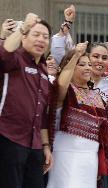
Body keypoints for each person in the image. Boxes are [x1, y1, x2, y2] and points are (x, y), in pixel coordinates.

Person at [47, 42, 108, 188]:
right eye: (81, 64)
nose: (88, 68)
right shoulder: (66, 90)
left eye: (89, 64)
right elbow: (61, 85)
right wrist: (76, 54)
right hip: (66, 155)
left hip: (90, 157)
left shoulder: (96, 95)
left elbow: (102, 134)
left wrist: (100, 159)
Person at [0, 13, 53, 188]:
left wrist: (45, 146)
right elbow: (4, 53)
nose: (41, 40)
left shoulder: (44, 71)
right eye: (35, 35)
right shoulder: (15, 59)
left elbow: (43, 114)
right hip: (9, 138)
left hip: (35, 144)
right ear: (23, 37)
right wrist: (23, 26)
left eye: (45, 37)